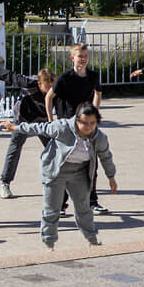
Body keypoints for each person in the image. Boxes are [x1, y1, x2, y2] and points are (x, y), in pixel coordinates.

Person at [0, 103, 116, 250]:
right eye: (84, 123)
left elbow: (106, 157)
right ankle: (49, 244)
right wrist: (15, 127)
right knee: (52, 209)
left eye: (92, 123)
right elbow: (39, 127)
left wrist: (111, 177)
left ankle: (93, 240)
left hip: (79, 173)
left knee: (84, 208)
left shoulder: (99, 137)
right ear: (76, 120)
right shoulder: (62, 127)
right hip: (56, 171)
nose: (88, 127)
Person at [46, 43, 112, 213]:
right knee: (65, 165)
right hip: (68, 125)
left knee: (91, 163)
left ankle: (92, 201)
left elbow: (98, 93)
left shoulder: (93, 76)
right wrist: (50, 121)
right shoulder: (64, 77)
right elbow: (49, 97)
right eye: (79, 56)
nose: (83, 59)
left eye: (85, 56)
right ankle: (61, 205)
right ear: (72, 58)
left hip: (86, 125)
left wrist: (95, 114)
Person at [0, 65, 56, 199]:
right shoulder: (28, 83)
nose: (50, 91)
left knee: (54, 148)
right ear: (39, 83)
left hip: (42, 120)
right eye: (47, 87)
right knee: (15, 147)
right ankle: (5, 183)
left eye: (52, 87)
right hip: (22, 119)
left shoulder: (56, 89)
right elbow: (9, 75)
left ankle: (60, 180)